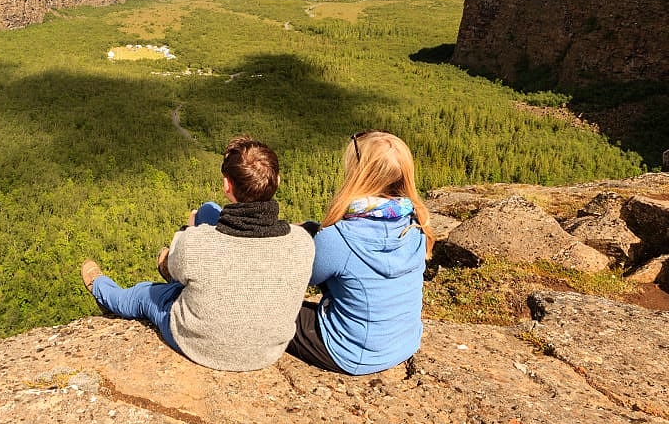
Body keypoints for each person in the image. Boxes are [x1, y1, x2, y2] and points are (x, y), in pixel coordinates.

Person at [80, 135, 315, 372]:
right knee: (209, 210)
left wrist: (188, 233)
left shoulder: (198, 243)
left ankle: (102, 289)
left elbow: (193, 255)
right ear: (278, 180)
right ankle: (184, 270)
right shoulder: (302, 242)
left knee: (145, 294)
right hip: (267, 352)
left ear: (227, 185)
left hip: (201, 344)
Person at [286, 130, 434, 375]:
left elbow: (305, 276)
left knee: (270, 310)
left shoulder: (340, 238)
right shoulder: (417, 224)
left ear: (358, 172)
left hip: (350, 352)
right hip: (404, 342)